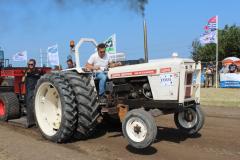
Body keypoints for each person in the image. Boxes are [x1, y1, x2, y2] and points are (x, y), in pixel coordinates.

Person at [22, 59, 42, 128]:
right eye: (29, 64)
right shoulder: (26, 71)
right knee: (30, 105)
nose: (30, 65)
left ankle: (39, 122)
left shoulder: (38, 71)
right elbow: (23, 80)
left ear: (34, 64)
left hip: (37, 90)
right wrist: (25, 75)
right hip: (29, 90)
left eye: (32, 64)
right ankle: (30, 122)